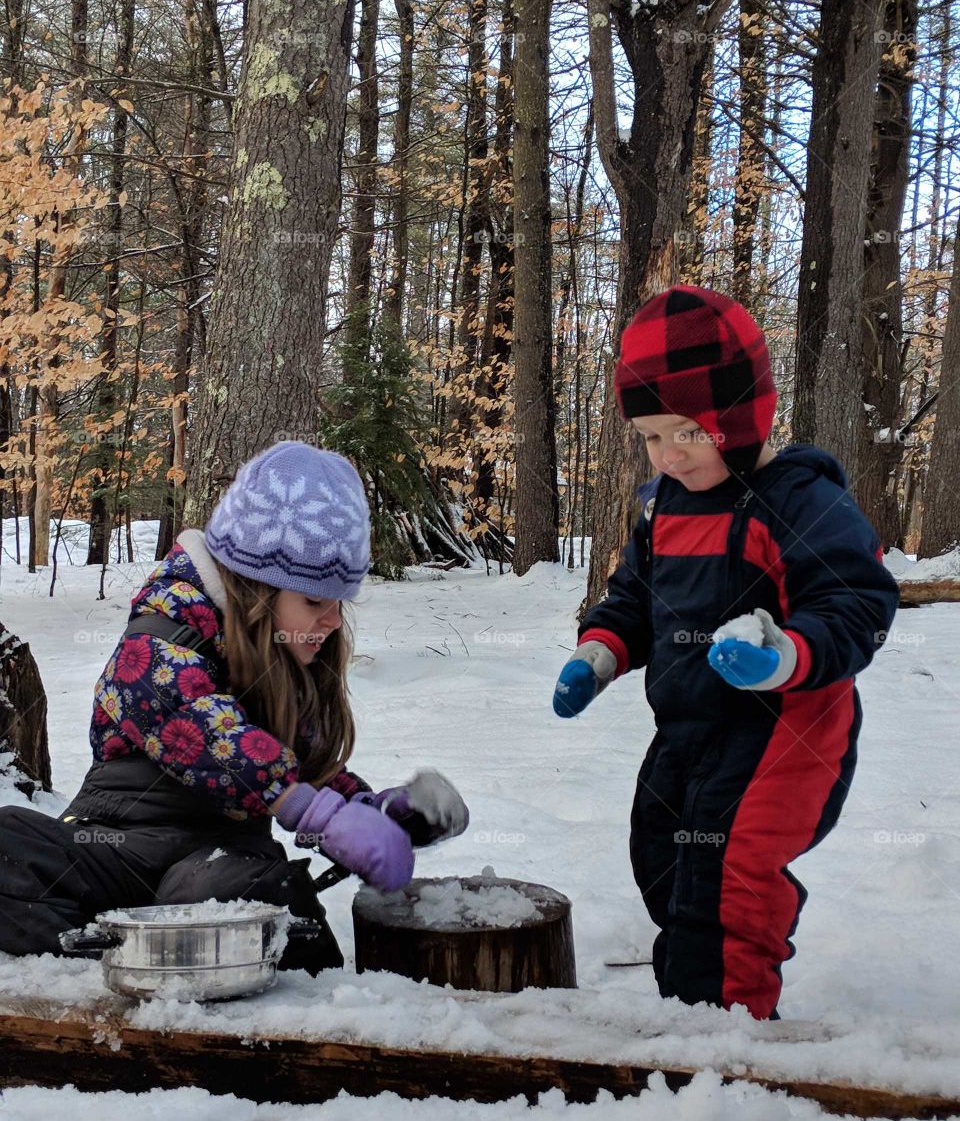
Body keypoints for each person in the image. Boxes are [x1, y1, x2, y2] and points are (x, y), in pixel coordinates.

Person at [552, 285, 900, 1020]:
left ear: (739, 417)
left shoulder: (799, 501)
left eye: (688, 432)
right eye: (651, 436)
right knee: (663, 855)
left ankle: (728, 1031)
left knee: (729, 867)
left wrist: (784, 653)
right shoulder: (665, 507)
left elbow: (857, 603)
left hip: (785, 730)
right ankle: (691, 996)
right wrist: (599, 656)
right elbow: (634, 600)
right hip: (690, 727)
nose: (669, 454)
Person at [0, 441, 468, 973]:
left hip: (215, 865)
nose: (333, 620)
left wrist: (375, 816)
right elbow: (195, 721)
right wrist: (308, 809)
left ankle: (193, 958)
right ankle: (98, 958)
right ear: (255, 589)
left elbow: (308, 776)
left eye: (340, 601)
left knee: (238, 893)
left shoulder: (284, 662)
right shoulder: (162, 631)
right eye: (314, 600)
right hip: (113, 852)